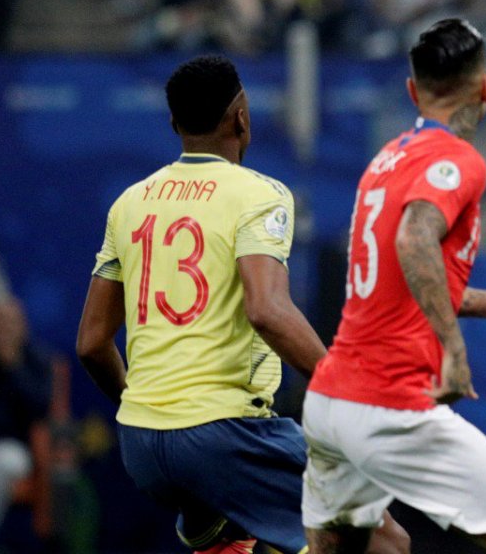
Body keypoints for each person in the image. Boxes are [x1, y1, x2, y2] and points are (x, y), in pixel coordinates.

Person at [76, 55, 409, 554]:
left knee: (231, 540)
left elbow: (91, 343)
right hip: (223, 434)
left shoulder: (130, 202)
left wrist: (142, 410)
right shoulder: (259, 194)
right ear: (242, 116)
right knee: (384, 542)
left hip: (142, 445)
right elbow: (268, 310)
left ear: (174, 124)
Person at [301, 18, 486, 554]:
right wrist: (453, 349)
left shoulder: (385, 161)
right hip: (392, 406)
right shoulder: (458, 159)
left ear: (412, 92)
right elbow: (414, 241)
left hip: (332, 404)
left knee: (381, 548)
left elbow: (406, 280)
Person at [0, 293, 50, 535]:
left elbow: (40, 408)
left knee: (2, 463)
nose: (5, 330)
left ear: (23, 325)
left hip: (14, 448)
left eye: (10, 323)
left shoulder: (36, 360)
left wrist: (13, 367)